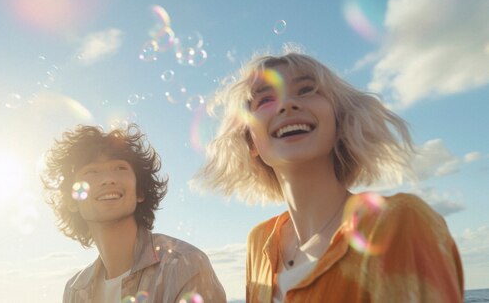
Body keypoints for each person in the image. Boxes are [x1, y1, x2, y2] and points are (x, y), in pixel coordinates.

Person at [194, 51, 464, 302]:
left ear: (340, 121)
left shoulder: (400, 221)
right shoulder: (259, 242)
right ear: (250, 142)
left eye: (306, 90)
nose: (287, 104)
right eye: (265, 99)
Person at [41, 124, 226, 303]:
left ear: (140, 192)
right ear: (72, 201)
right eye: (91, 172)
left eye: (120, 168)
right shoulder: (75, 289)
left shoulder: (184, 265)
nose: (107, 179)